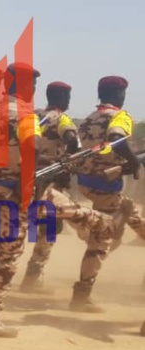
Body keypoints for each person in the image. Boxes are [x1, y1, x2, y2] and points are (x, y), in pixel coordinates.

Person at [0, 63, 122, 338]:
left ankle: (101, 224)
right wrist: (51, 167)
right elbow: (30, 151)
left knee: (71, 210)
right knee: (8, 256)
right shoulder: (25, 115)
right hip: (18, 193)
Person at [71, 75, 144, 312]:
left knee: (132, 217)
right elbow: (115, 139)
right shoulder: (120, 116)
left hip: (88, 184)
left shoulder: (89, 118)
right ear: (119, 94)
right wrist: (134, 163)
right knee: (100, 243)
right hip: (107, 189)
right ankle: (81, 296)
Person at [19, 81, 81, 294]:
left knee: (22, 224)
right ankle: (31, 277)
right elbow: (72, 140)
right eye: (68, 97)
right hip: (50, 180)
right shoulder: (62, 119)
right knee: (52, 228)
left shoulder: (34, 115)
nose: (69, 101)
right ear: (62, 98)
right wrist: (67, 162)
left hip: (26, 177)